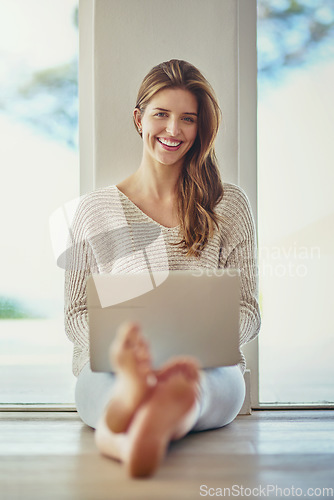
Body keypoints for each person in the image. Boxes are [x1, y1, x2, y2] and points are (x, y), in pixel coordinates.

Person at [64, 59, 261, 478]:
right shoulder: (94, 211)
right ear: (139, 119)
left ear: (201, 128)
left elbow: (248, 309)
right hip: (112, 370)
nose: (173, 130)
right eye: (161, 115)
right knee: (114, 387)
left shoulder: (229, 206)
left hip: (208, 367)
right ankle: (148, 411)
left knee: (196, 386)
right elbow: (77, 314)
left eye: (187, 119)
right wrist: (125, 357)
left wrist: (193, 350)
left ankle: (130, 429)